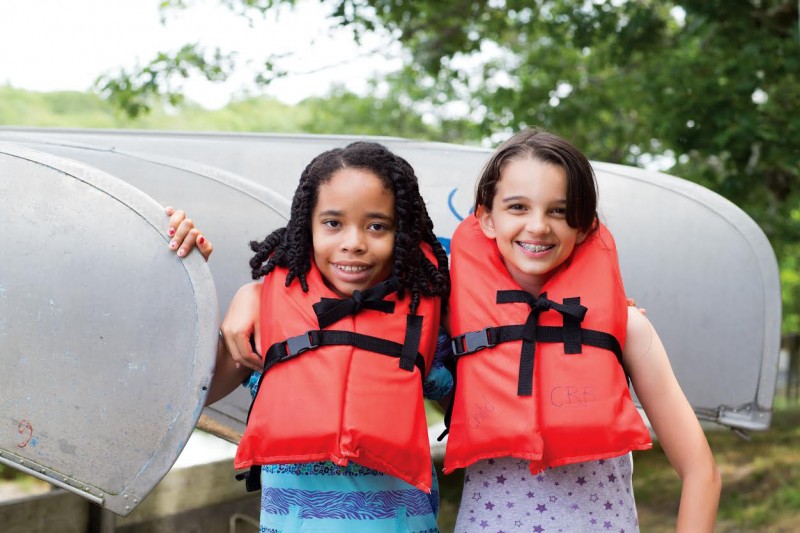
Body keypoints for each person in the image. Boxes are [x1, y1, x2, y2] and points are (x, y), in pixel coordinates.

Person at [443, 128, 720, 532]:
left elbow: (701, 472)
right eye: (517, 207)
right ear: (486, 218)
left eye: (559, 210)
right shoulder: (450, 319)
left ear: (585, 226)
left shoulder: (628, 327)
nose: (538, 226)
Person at [185, 141, 453, 532]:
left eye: (377, 226)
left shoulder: (425, 314)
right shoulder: (265, 316)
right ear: (305, 226)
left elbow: (468, 406)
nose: (354, 242)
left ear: (404, 234)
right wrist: (184, 271)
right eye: (333, 223)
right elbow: (191, 394)